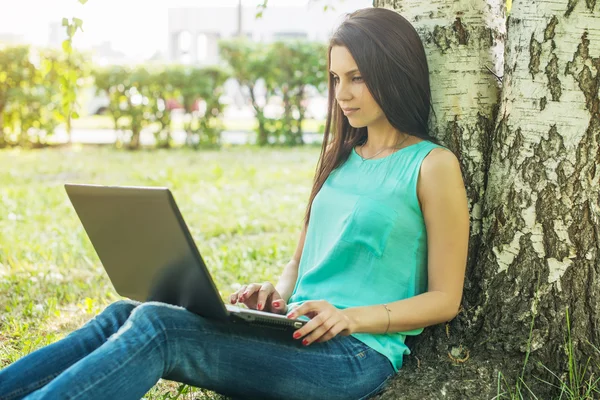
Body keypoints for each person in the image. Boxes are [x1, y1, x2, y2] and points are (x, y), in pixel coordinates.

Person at [0, 7, 469, 400]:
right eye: (334, 78)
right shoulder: (339, 157)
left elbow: (444, 299)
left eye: (357, 78)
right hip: (294, 331)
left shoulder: (432, 165)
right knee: (126, 312)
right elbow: (299, 261)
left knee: (161, 328)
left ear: (393, 70)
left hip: (354, 356)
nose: (341, 93)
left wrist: (350, 317)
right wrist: (277, 295)